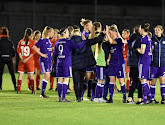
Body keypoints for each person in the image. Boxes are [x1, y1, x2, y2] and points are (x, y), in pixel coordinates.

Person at [71, 24, 106, 102]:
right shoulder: (85, 41)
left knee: (76, 81)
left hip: (74, 64)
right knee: (81, 80)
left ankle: (78, 97)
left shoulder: (70, 42)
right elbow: (95, 40)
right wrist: (103, 34)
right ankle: (80, 97)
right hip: (83, 64)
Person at [53, 27, 86, 102]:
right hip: (66, 63)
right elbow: (79, 47)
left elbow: (54, 55)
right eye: (67, 32)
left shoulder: (57, 43)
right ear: (64, 33)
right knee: (66, 79)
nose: (69, 34)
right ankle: (63, 97)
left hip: (59, 63)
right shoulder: (68, 42)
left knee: (59, 80)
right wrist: (84, 41)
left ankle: (59, 98)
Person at [106, 25, 127, 103]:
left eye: (110, 33)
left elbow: (111, 42)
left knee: (121, 81)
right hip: (112, 63)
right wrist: (109, 59)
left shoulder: (118, 40)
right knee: (111, 80)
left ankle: (124, 97)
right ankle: (110, 98)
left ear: (113, 32)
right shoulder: (111, 42)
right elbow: (111, 52)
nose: (109, 34)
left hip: (119, 63)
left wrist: (108, 32)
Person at [33, 26, 54, 98]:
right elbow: (34, 47)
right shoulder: (42, 40)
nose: (53, 34)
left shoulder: (48, 41)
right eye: (52, 32)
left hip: (48, 61)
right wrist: (41, 54)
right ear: (48, 32)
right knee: (46, 76)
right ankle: (42, 93)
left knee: (47, 77)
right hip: (44, 61)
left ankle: (42, 93)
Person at [126, 25, 143, 104]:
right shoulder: (139, 38)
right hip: (137, 61)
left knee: (133, 80)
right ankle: (139, 98)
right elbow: (138, 50)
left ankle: (130, 98)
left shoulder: (131, 37)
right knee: (138, 80)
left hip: (131, 61)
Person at [136, 23, 152, 104]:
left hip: (143, 61)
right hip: (148, 61)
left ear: (142, 30)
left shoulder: (144, 39)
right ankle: (150, 97)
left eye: (139, 29)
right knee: (144, 79)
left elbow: (142, 51)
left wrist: (137, 49)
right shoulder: (149, 38)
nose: (139, 30)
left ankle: (145, 100)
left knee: (143, 80)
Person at [17, 28, 36, 94]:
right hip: (29, 61)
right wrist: (27, 59)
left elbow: (18, 50)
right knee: (31, 76)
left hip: (21, 60)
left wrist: (21, 58)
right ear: (31, 34)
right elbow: (33, 52)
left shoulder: (21, 41)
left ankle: (19, 90)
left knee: (20, 75)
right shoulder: (32, 42)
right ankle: (33, 90)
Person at [150, 25, 165, 104]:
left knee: (163, 81)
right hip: (154, 64)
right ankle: (152, 98)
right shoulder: (152, 39)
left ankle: (163, 98)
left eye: (158, 30)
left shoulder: (164, 39)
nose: (157, 31)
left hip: (163, 64)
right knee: (153, 81)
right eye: (156, 30)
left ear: (162, 31)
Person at [80, 18, 94, 99]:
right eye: (90, 25)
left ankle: (89, 95)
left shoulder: (87, 33)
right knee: (86, 78)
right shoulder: (83, 34)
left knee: (91, 78)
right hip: (85, 59)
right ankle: (81, 95)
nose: (91, 27)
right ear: (86, 26)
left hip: (90, 58)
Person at [0, 26, 17, 90]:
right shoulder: (10, 42)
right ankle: (15, 86)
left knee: (0, 73)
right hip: (9, 58)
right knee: (12, 73)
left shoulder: (0, 41)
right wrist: (10, 56)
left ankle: (0, 87)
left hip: (1, 58)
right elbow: (13, 51)